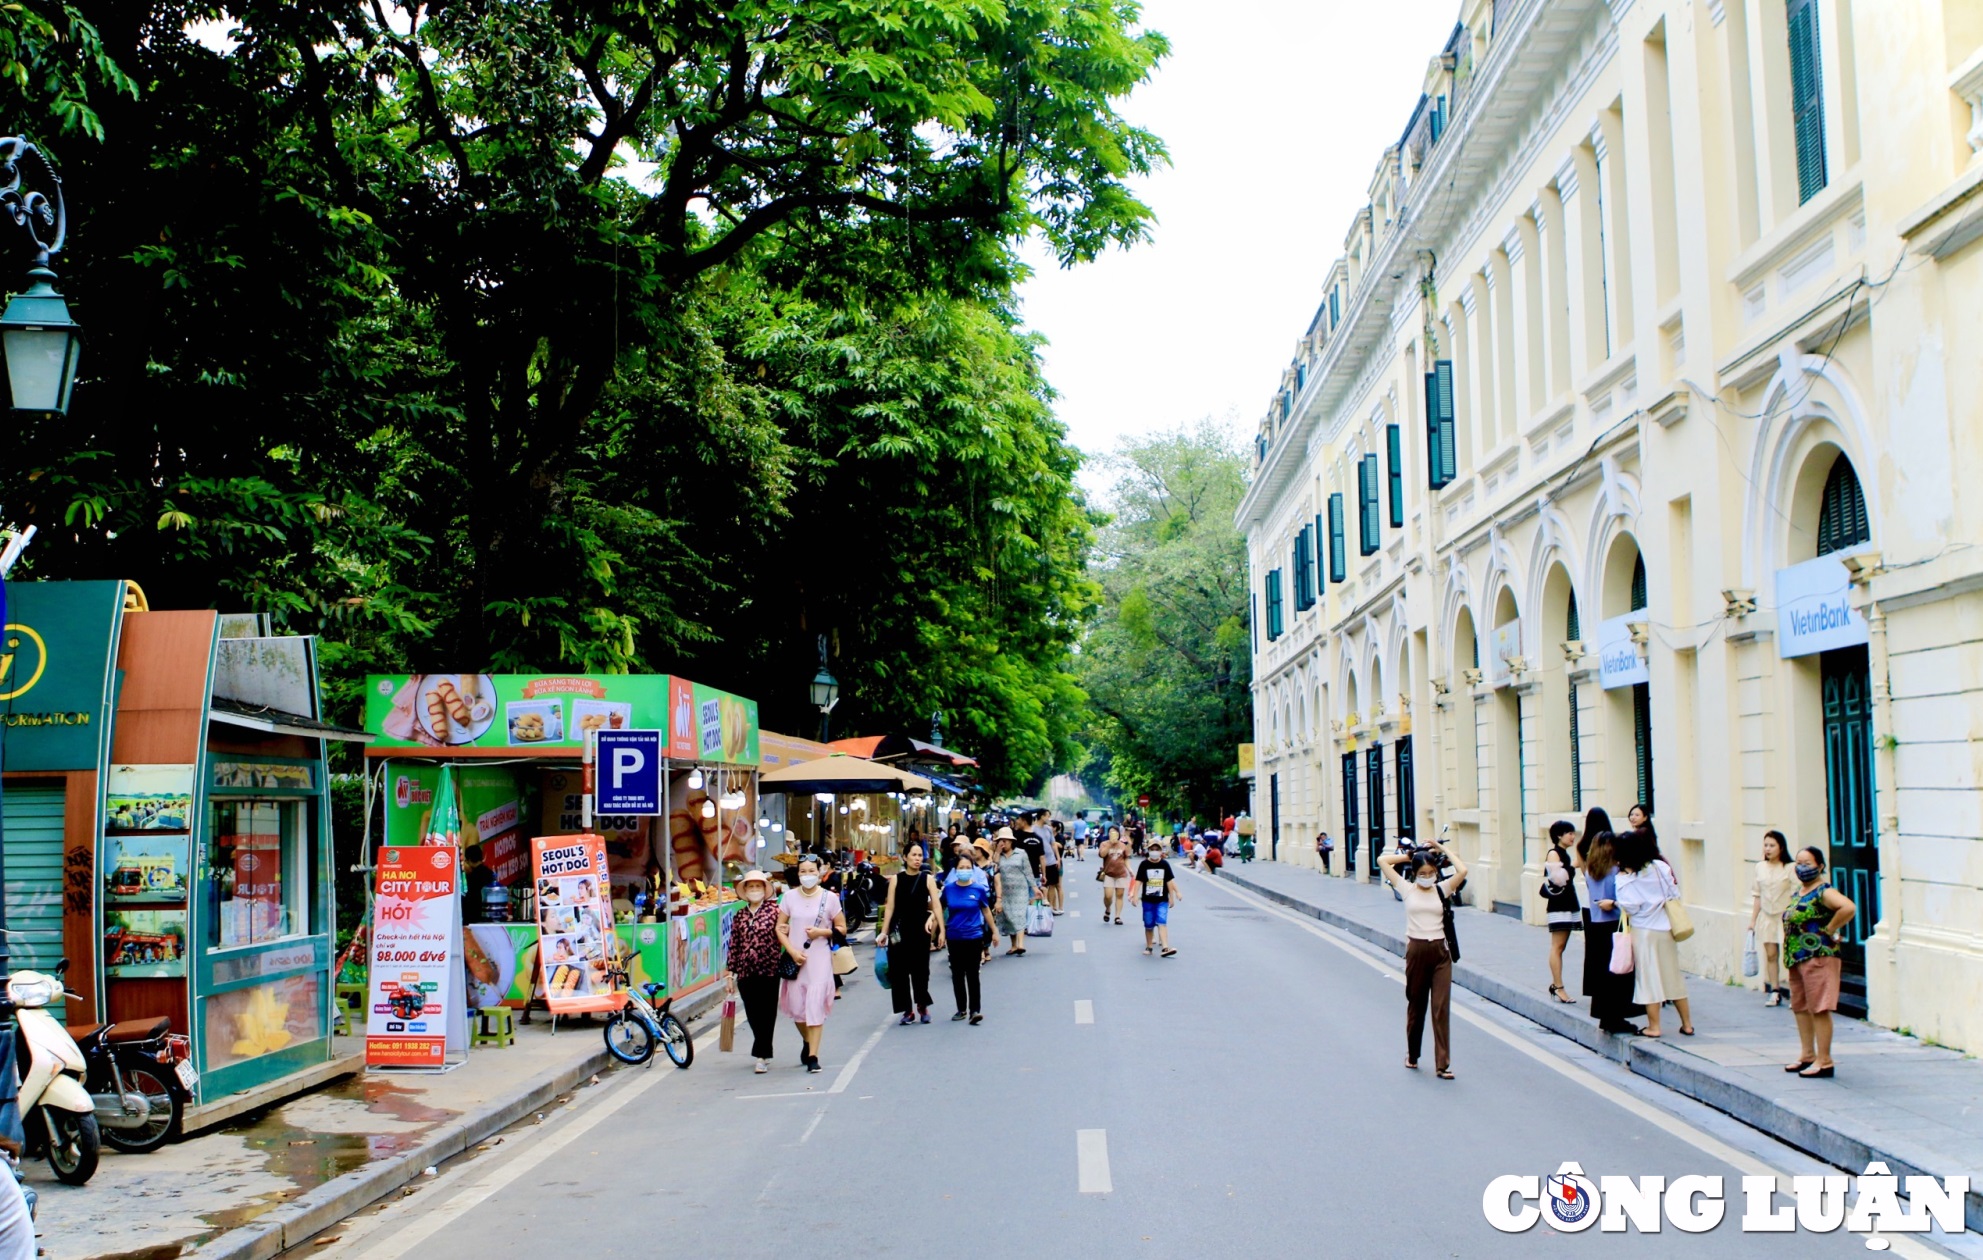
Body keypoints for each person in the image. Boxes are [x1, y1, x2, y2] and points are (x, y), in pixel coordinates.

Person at [1378, 838, 1467, 1079]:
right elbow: (1382, 861)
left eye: (1431, 872)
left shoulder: (1442, 889)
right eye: (1423, 873)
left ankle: (1443, 1064)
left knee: (1440, 1008)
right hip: (1416, 951)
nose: (1428, 877)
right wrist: (1409, 856)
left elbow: (1463, 870)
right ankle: (1413, 1054)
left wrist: (1441, 849)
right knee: (1417, 1006)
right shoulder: (1406, 889)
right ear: (1415, 873)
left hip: (1440, 953)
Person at [1612, 827, 1693, 1038]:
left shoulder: (1625, 878)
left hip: (1643, 931)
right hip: (1666, 928)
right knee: (1672, 977)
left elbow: (1631, 906)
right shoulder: (1659, 867)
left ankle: (1654, 1026)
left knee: (1649, 979)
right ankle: (1687, 1024)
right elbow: (1674, 892)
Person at [1782, 848, 1856, 1078]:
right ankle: (1807, 1054)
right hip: (1797, 956)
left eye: (1807, 862)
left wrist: (1830, 929)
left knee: (1819, 1006)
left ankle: (1824, 1060)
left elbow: (1848, 907)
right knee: (1801, 1006)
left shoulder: (1824, 891)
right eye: (1799, 862)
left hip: (1818, 955)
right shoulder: (1800, 892)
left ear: (1821, 866)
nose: (1802, 867)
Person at [775, 856, 846, 1073]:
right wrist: (791, 950)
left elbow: (841, 928)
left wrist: (821, 932)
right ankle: (807, 1041)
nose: (807, 875)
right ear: (798, 874)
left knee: (814, 1006)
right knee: (797, 1008)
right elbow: (780, 926)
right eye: (803, 871)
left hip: (819, 958)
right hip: (796, 959)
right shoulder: (788, 898)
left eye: (811, 871)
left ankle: (814, 1055)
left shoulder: (830, 898)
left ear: (819, 872)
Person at [1579, 830, 1640, 1035]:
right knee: (1618, 972)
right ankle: (1617, 1016)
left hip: (1595, 925)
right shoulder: (1616, 872)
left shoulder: (1590, 871)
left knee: (1602, 973)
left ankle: (1605, 1015)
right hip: (1614, 925)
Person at [725, 870, 785, 1072]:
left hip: (769, 969)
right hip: (745, 972)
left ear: (764, 889)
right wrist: (730, 973)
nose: (754, 890)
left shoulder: (775, 912)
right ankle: (762, 1047)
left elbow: (784, 936)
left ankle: (762, 1054)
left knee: (767, 1013)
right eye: (751, 887)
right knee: (752, 1013)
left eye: (758, 886)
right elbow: (734, 944)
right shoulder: (740, 915)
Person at [876, 843, 942, 1024]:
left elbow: (936, 905)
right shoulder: (896, 880)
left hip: (920, 931)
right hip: (898, 932)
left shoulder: (927, 879)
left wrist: (941, 929)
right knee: (899, 972)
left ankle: (922, 1004)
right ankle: (907, 1010)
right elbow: (890, 907)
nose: (917, 858)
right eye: (913, 855)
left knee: (921, 970)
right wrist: (884, 932)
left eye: (920, 855)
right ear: (905, 857)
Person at [941, 849, 994, 1023]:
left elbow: (986, 911)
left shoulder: (978, 889)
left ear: (972, 869)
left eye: (968, 867)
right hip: (954, 937)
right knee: (957, 974)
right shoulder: (949, 890)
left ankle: (975, 1010)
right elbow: (938, 909)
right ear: (956, 870)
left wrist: (994, 932)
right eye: (961, 867)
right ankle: (961, 1009)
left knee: (973, 974)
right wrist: (937, 928)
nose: (965, 869)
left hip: (974, 936)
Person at [1748, 829, 1797, 1006]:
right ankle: (1775, 991)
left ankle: (1794, 992)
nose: (1768, 849)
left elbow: (1795, 893)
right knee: (1771, 954)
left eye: (1772, 845)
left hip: (1785, 916)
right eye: (1766, 845)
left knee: (1789, 956)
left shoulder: (1790, 868)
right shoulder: (1760, 867)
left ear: (1781, 847)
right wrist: (1753, 920)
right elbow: (1757, 895)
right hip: (1767, 917)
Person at [1540, 820, 1581, 1003]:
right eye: (1569, 833)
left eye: (1573, 833)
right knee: (1557, 946)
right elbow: (1558, 879)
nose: (1572, 836)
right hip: (1559, 904)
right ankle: (1558, 987)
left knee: (1561, 946)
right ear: (1559, 835)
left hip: (1568, 902)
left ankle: (1556, 985)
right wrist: (1572, 867)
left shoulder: (1563, 854)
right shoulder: (1554, 853)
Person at [993, 832, 1039, 956]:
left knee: (1019, 915)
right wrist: (997, 851)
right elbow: (994, 865)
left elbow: (1028, 872)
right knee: (1009, 917)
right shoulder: (998, 855)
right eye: (1001, 841)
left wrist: (1034, 888)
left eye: (1006, 841)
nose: (1003, 843)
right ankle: (1013, 945)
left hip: (1020, 890)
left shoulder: (1021, 853)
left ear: (1012, 841)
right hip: (1005, 891)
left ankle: (1021, 944)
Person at [1134, 841, 1181, 957]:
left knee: (1162, 922)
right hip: (1147, 900)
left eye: (1157, 849)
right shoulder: (1144, 865)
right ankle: (1149, 947)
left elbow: (1169, 881)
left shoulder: (1165, 864)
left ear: (1160, 851)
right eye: (1152, 849)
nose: (1154, 852)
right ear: (1149, 850)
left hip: (1162, 900)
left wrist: (1172, 896)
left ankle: (1165, 948)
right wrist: (1134, 895)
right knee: (1149, 924)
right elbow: (1138, 881)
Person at [1099, 826, 1131, 925]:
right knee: (1108, 896)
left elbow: (1126, 858)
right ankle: (1108, 908)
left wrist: (1130, 870)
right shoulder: (1104, 844)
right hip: (1108, 873)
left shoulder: (1122, 845)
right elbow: (1102, 855)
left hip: (1121, 873)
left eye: (1115, 833)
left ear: (1118, 834)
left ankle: (1117, 916)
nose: (1113, 834)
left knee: (1120, 895)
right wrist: (1110, 845)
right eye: (1111, 832)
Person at [1042, 818, 1065, 914]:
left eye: (1050, 826)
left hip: (1057, 863)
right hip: (1047, 863)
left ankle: (1061, 907)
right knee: (1050, 885)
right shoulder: (1047, 836)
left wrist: (1051, 842)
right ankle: (1052, 906)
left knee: (1058, 886)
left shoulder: (1059, 837)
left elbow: (1060, 845)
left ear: (1055, 828)